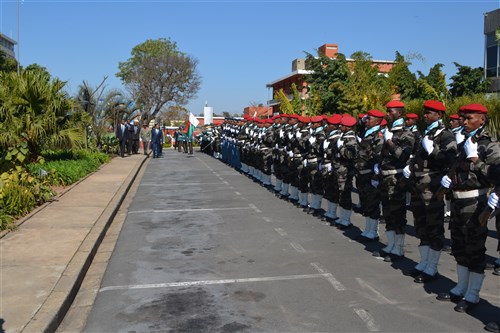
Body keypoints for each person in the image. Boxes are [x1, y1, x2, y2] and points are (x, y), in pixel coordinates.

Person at [436, 103, 500, 313]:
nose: (464, 121)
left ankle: (472, 294)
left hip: (475, 203)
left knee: (474, 249)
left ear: (482, 119)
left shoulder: (490, 145)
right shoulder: (463, 141)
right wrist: (448, 178)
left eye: (469, 118)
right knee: (459, 246)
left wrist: (475, 160)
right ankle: (461, 287)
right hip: (457, 201)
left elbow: (496, 175)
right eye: (463, 118)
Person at [402, 100, 457, 282]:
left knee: (434, 227)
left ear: (439, 115)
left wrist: (432, 150)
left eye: (429, 113)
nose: (425, 115)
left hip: (432, 188)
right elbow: (417, 156)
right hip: (418, 186)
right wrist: (410, 166)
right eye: (425, 112)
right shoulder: (426, 133)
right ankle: (423, 262)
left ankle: (432, 267)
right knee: (421, 225)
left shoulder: (446, 134)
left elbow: (449, 159)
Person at [374, 101, 415, 261]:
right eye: (387, 111)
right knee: (388, 213)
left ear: (399, 113)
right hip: (385, 177)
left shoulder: (406, 134)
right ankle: (390, 245)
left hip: (396, 179)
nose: (388, 114)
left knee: (397, 214)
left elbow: (403, 156)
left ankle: (398, 248)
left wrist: (390, 142)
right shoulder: (387, 131)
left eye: (390, 112)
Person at [356, 110, 384, 242]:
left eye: (369, 119)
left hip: (370, 174)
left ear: (377, 121)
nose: (366, 121)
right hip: (362, 173)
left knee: (373, 202)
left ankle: (373, 231)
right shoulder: (366, 132)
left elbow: (378, 157)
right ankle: (367, 230)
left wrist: (375, 175)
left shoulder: (378, 135)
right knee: (366, 202)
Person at [333, 114, 358, 229]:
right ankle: (342, 217)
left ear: (348, 127)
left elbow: (350, 155)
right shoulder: (343, 137)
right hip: (340, 170)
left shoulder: (351, 139)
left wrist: (341, 148)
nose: (340, 126)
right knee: (341, 194)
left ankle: (346, 219)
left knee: (345, 194)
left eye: (342, 125)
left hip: (346, 171)